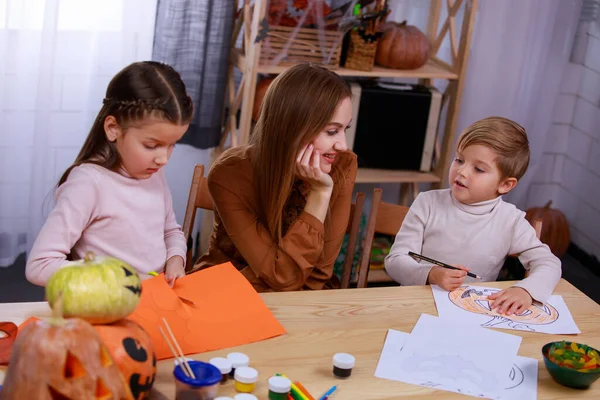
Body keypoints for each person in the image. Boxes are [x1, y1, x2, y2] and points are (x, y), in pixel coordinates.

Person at [26, 61, 193, 287]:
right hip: (105, 307)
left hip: (152, 299)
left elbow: (170, 231)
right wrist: (123, 279)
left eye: (172, 144)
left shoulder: (153, 173)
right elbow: (40, 265)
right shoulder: (88, 183)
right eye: (151, 145)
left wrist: (175, 259)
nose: (163, 159)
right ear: (113, 128)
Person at [194, 63, 357, 292]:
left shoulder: (343, 165)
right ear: (292, 128)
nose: (342, 145)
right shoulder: (228, 174)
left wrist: (320, 191)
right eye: (331, 131)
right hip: (228, 291)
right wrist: (319, 195)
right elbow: (283, 277)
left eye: (344, 129)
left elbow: (318, 274)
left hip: (298, 300)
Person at [385, 117, 561, 314]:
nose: (462, 171)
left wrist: (526, 290)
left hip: (470, 315)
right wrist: (431, 274)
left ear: (505, 185)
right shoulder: (427, 203)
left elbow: (549, 263)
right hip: (412, 307)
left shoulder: (510, 221)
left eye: (478, 169)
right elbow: (395, 261)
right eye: (459, 159)